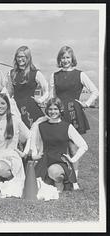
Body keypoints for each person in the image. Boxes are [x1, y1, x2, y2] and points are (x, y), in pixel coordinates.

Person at [50, 46, 98, 178]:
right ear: (59, 59)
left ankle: (74, 178)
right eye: (62, 57)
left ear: (72, 59)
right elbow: (52, 96)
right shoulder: (54, 75)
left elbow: (95, 91)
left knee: (72, 146)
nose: (65, 60)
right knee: (58, 145)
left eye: (67, 57)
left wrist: (86, 103)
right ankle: (59, 175)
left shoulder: (80, 74)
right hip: (58, 113)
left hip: (73, 113)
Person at [31, 98, 88, 192]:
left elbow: (84, 146)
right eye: (50, 109)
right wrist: (35, 156)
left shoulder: (67, 126)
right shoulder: (41, 126)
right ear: (47, 110)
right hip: (45, 160)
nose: (52, 112)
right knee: (37, 186)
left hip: (60, 161)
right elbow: (37, 144)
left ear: (60, 110)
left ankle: (61, 182)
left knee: (54, 172)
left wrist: (73, 159)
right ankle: (51, 181)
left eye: (55, 109)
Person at [0, 93, 30, 198]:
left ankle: (9, 182)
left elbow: (29, 136)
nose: (0, 106)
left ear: (8, 105)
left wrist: (24, 153)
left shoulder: (16, 120)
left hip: (11, 156)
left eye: (3, 103)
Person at [6, 46, 49, 129]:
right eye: (18, 56)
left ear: (28, 58)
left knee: (33, 132)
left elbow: (47, 90)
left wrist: (40, 100)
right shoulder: (11, 73)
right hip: (16, 108)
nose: (20, 59)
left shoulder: (35, 73)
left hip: (31, 107)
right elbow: (9, 92)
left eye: (23, 57)